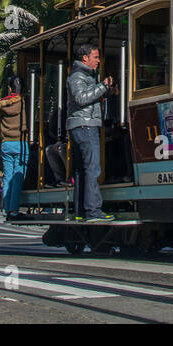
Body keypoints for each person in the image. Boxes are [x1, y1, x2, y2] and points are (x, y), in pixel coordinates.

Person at [66, 42, 114, 222]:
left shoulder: (83, 75)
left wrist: (106, 91)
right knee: (92, 169)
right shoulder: (78, 75)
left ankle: (80, 212)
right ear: (85, 58)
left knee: (81, 171)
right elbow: (81, 98)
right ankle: (93, 211)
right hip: (85, 127)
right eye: (95, 57)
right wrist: (103, 86)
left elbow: (88, 96)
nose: (98, 61)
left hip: (80, 125)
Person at [0, 75, 28, 219]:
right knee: (18, 176)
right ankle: (14, 209)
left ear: (9, 89)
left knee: (7, 176)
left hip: (6, 142)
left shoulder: (1, 104)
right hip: (20, 142)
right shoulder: (24, 102)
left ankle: (8, 208)